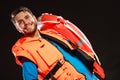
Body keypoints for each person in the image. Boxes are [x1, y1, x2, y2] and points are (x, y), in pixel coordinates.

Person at [10, 6, 105, 80]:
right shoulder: (25, 50)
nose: (26, 22)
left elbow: (74, 50)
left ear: (34, 18)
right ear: (18, 29)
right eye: (20, 22)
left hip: (90, 77)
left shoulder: (51, 33)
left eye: (27, 17)